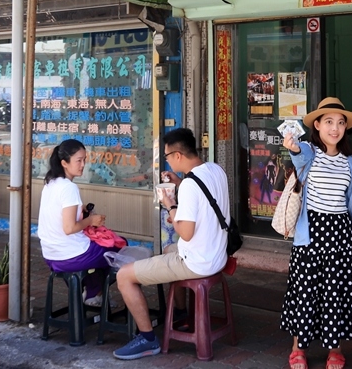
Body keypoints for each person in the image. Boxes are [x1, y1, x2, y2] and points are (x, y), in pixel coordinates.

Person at [114, 128, 230, 361]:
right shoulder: (215, 170)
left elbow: (185, 233)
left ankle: (147, 339)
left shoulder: (189, 186)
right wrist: (180, 184)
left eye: (167, 156)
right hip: (218, 255)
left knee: (124, 276)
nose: (166, 160)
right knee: (168, 250)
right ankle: (180, 314)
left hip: (197, 261)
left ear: (177, 155)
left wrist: (170, 206)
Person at [280, 97, 352, 369]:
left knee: (336, 292)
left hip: (341, 233)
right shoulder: (309, 152)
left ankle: (335, 348)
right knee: (306, 291)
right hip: (311, 233)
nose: (335, 128)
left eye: (340, 123)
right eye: (329, 122)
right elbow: (297, 153)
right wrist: (292, 146)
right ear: (317, 125)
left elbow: (349, 203)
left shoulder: (350, 162)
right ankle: (298, 348)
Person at [37, 139, 113, 307]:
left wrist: (81, 210)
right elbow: (69, 228)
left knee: (100, 247)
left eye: (84, 159)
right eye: (79, 160)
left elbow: (60, 216)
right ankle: (95, 292)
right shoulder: (69, 188)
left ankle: (87, 289)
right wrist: (91, 220)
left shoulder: (50, 183)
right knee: (116, 246)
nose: (83, 164)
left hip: (50, 254)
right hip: (70, 255)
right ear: (64, 163)